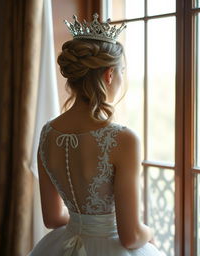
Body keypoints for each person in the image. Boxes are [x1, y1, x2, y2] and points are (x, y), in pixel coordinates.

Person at [29, 13, 164, 256]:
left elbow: (51, 218)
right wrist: (150, 232)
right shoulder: (123, 139)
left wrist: (81, 223)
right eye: (122, 71)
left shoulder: (47, 133)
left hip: (62, 245)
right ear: (109, 75)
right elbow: (131, 236)